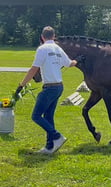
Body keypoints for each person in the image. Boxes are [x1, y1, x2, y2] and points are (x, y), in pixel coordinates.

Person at [15, 26, 78, 154]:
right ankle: (50, 146)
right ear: (54, 36)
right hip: (59, 87)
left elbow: (34, 69)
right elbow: (69, 63)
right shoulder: (58, 49)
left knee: (36, 116)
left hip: (49, 88)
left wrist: (21, 85)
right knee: (48, 116)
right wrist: (76, 61)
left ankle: (57, 136)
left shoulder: (42, 49)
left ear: (42, 37)